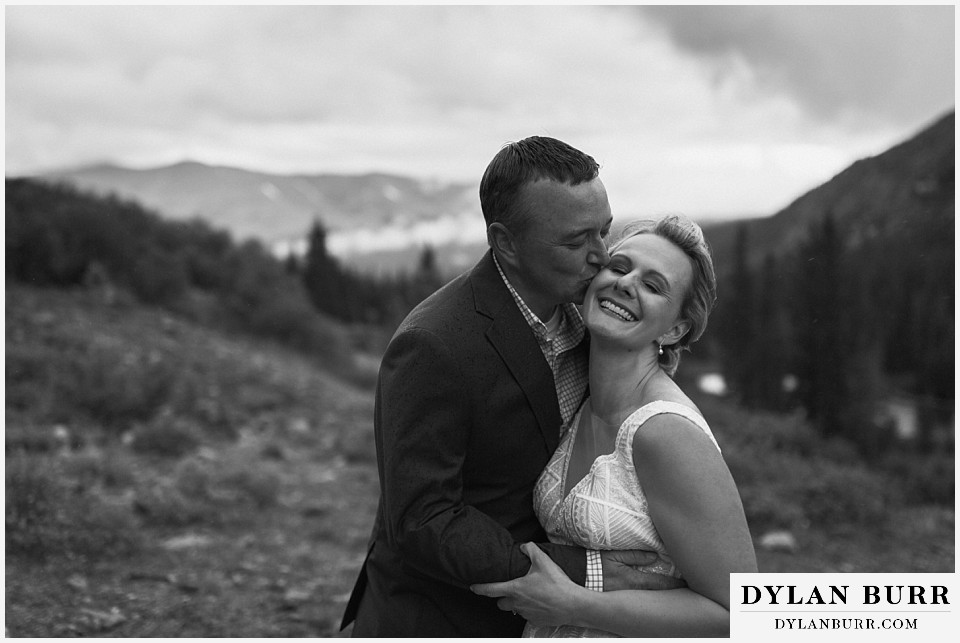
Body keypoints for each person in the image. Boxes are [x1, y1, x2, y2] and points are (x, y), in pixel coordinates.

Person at [340, 137, 681, 637]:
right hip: (440, 618)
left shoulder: (592, 318)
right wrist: (575, 571)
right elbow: (423, 518)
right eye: (575, 241)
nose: (601, 256)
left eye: (604, 232)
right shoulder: (432, 345)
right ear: (506, 243)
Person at [472, 215, 758, 637]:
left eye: (654, 285)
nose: (626, 284)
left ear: (676, 328)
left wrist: (577, 605)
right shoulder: (578, 397)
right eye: (620, 268)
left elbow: (737, 613)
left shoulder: (665, 432)